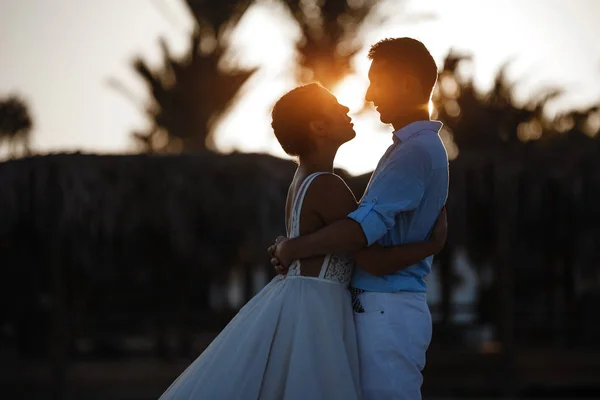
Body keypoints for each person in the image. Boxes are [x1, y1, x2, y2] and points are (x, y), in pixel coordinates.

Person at [158, 82, 446, 400]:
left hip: (302, 297)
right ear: (318, 126)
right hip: (318, 310)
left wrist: (289, 247)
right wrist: (429, 246)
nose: (346, 110)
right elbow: (372, 259)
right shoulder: (328, 186)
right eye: (335, 107)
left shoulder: (303, 180)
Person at [270, 38, 449, 400]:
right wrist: (430, 246)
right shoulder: (404, 151)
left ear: (408, 85)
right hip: (376, 309)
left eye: (377, 82)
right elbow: (361, 240)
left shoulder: (413, 153)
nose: (368, 95)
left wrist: (292, 248)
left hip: (388, 309)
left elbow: (357, 234)